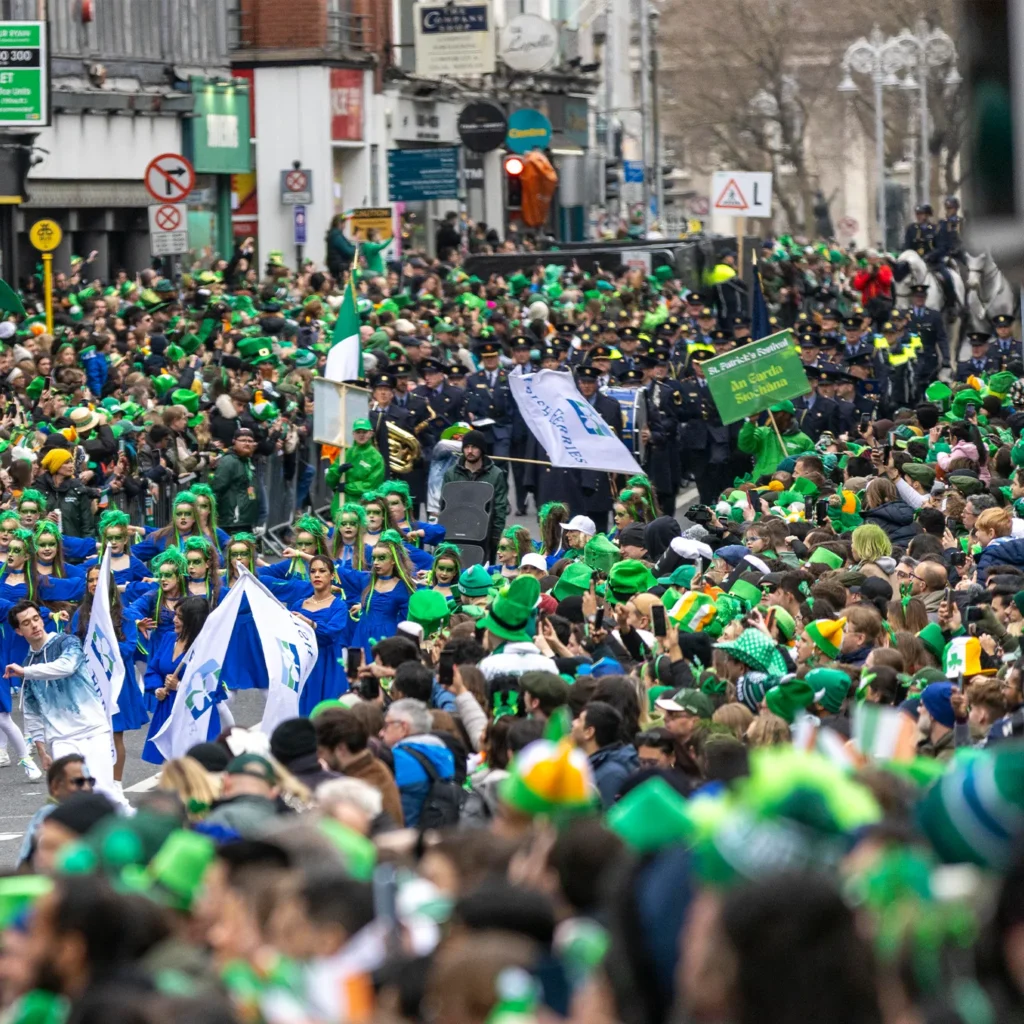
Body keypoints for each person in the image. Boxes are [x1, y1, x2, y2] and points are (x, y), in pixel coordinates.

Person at [6, 600, 111, 791]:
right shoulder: (27, 663)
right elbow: (32, 711)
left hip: (93, 730)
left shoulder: (68, 642)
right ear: (19, 631)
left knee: (104, 792)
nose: (34, 625)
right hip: (61, 739)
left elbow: (67, 667)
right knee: (74, 796)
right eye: (26, 623)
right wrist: (41, 751)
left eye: (36, 618)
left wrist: (26, 671)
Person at [141, 596, 220, 765]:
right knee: (170, 762)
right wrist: (156, 689)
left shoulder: (206, 648)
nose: (174, 620)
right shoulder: (169, 638)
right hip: (168, 706)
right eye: (175, 615)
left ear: (193, 621)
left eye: (180, 617)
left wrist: (179, 686)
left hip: (194, 712)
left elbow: (212, 687)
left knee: (195, 764)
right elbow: (153, 669)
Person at [379, 697, 455, 827]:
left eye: (386, 725)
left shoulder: (398, 759)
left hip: (404, 838)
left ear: (403, 728)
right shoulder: (442, 753)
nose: (381, 733)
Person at [441, 428, 509, 560]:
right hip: (457, 531)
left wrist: (496, 535)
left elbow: (500, 507)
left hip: (484, 533)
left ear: (482, 449)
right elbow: (445, 505)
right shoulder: (451, 473)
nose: (470, 451)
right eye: (466, 447)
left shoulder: (496, 475)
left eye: (474, 447)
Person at [17, 753, 94, 867]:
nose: (87, 787)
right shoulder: (47, 817)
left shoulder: (99, 812)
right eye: (79, 782)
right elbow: (25, 863)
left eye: (90, 781)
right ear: (56, 787)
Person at [211, 428, 260, 534]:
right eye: (242, 440)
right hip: (232, 522)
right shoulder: (229, 462)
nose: (247, 444)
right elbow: (217, 489)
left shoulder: (245, 460)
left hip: (244, 520)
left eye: (250, 441)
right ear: (234, 442)